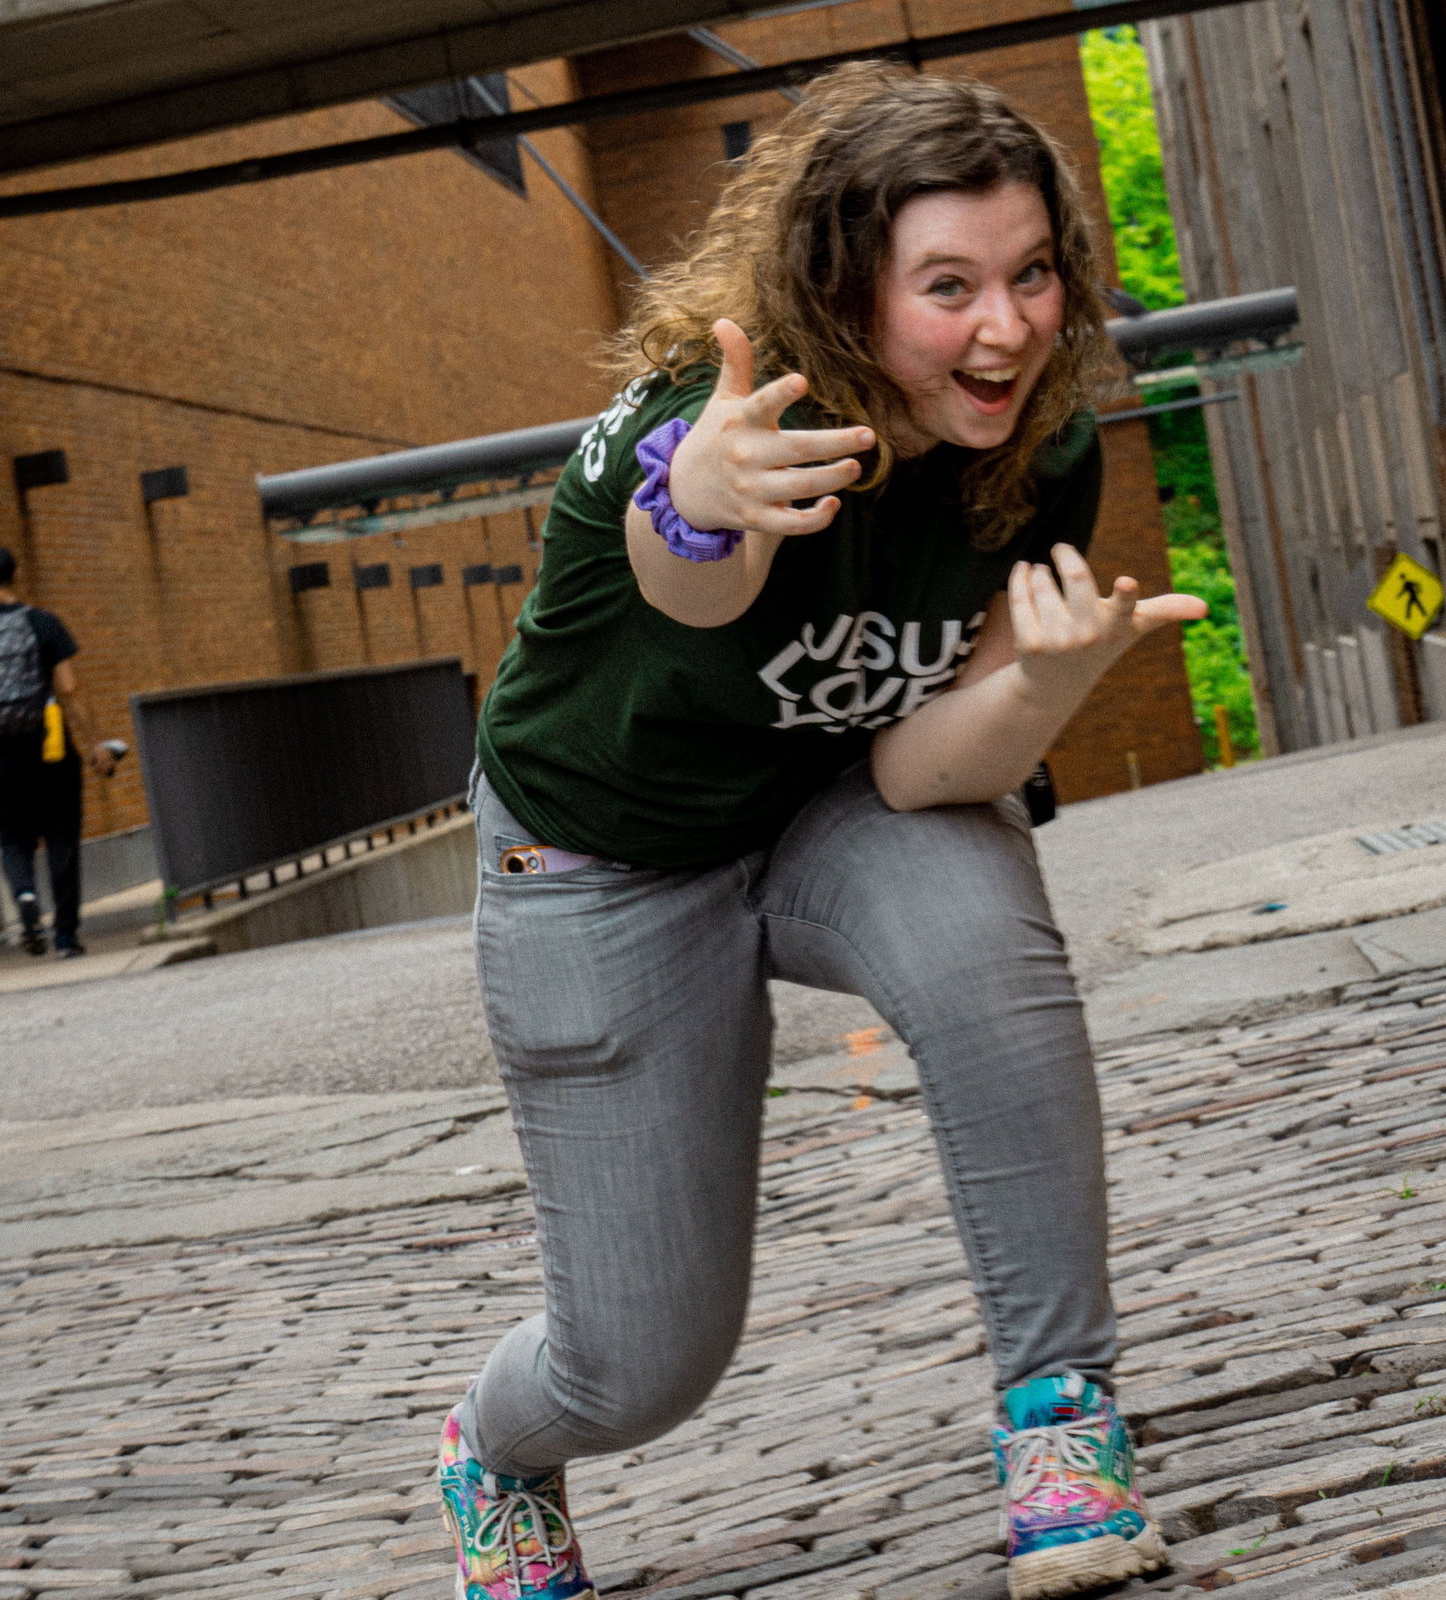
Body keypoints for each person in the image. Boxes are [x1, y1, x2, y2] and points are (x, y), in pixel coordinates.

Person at [438, 65, 1206, 1600]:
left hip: (829, 812)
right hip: (601, 868)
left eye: (1032, 274)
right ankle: (495, 1446)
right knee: (644, 1364)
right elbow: (686, 583)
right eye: (949, 287)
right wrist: (704, 500)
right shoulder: (700, 429)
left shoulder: (1032, 451)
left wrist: (1044, 684)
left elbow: (924, 773)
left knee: (987, 924)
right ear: (845, 290)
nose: (1007, 327)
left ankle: (1062, 1417)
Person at [0, 546, 116, 957]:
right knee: (61, 838)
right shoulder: (43, 624)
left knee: (14, 841)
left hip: (2, 751)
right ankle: (66, 936)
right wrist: (95, 745)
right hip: (51, 745)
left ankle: (24, 895)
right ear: (15, 577)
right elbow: (70, 689)